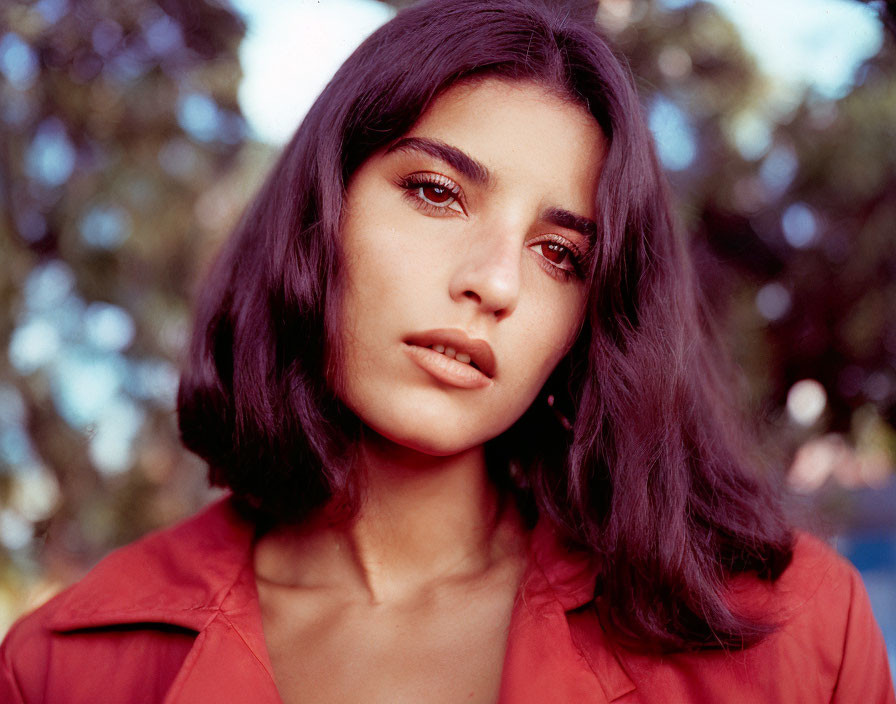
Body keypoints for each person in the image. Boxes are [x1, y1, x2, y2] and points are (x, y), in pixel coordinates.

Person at [2, 1, 894, 702]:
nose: (495, 283)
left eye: (560, 255)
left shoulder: (795, 635)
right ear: (322, 211)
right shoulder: (61, 669)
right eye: (435, 192)